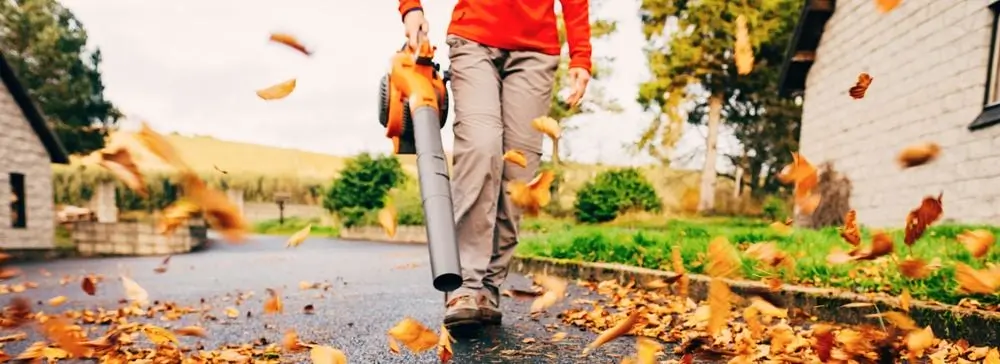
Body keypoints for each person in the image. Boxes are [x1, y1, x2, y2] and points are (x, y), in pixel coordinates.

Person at [396, 0, 592, 336]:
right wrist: (411, 8)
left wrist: (581, 54)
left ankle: (488, 287)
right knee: (482, 147)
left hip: (536, 51)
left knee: (519, 171)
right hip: (474, 36)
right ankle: (465, 286)